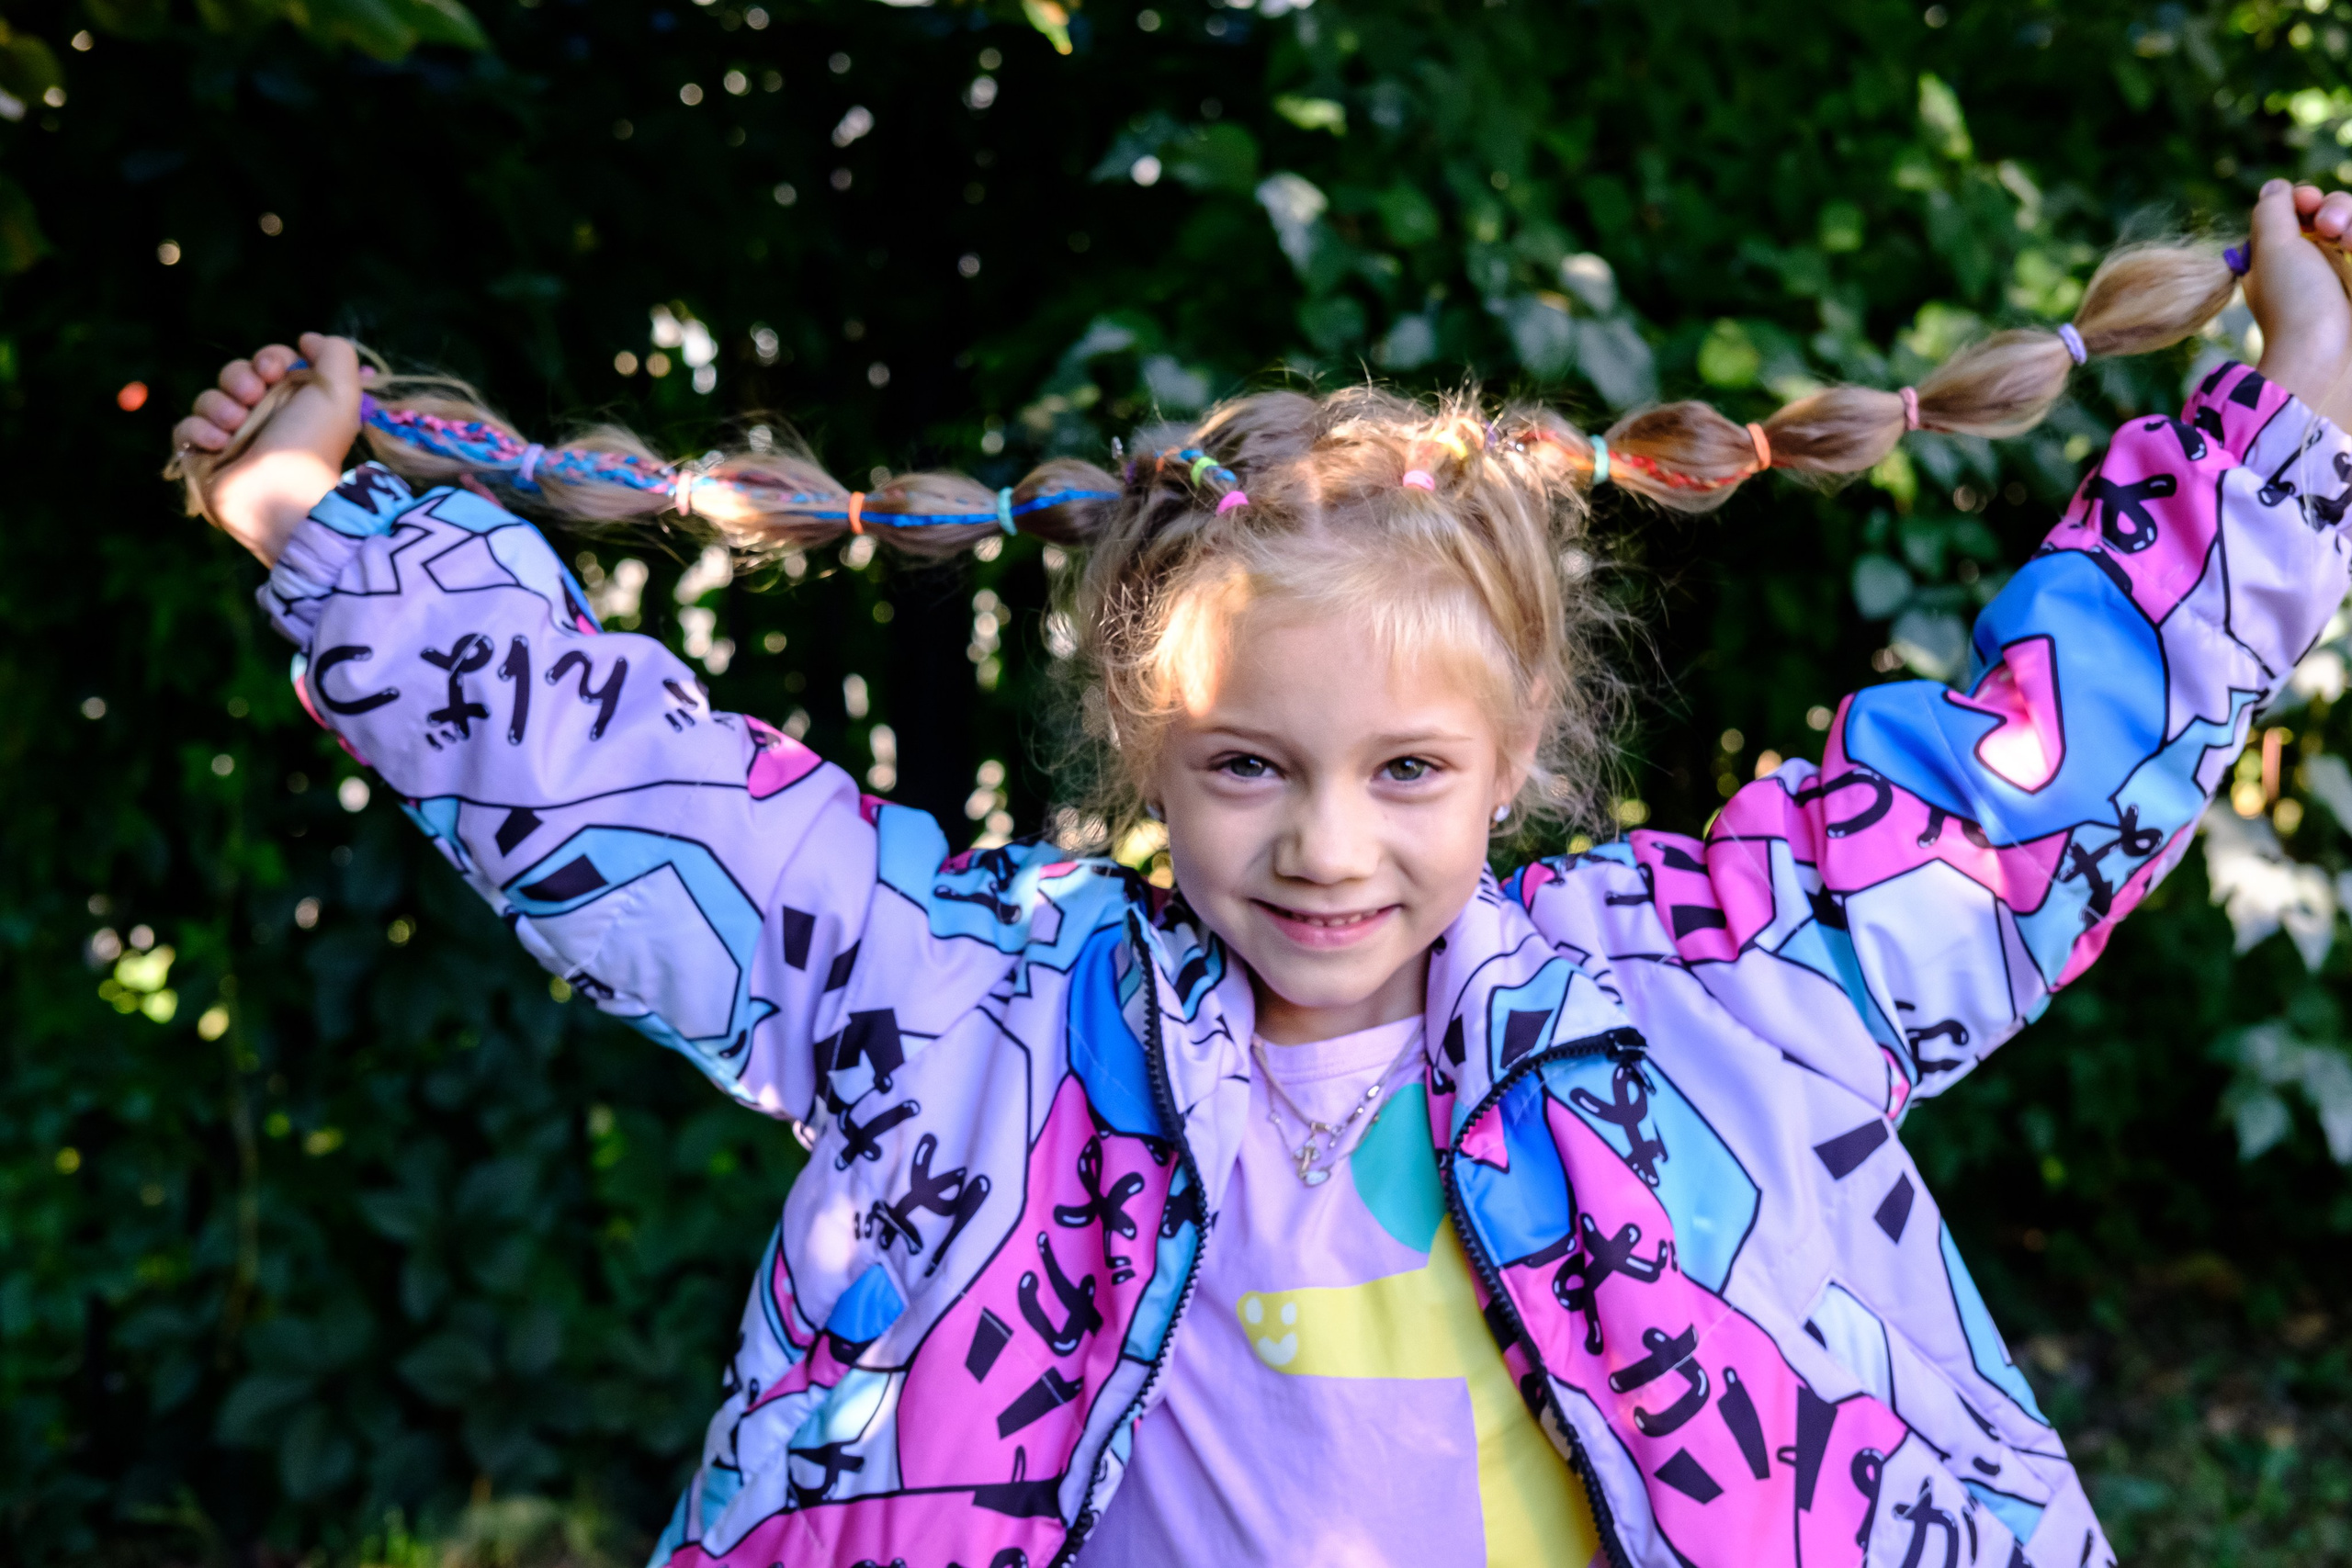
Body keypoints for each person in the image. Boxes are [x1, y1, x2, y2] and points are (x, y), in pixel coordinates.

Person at [167, 178, 2352, 1568]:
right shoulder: (983, 1018)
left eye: (1405, 769)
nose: (1323, 843)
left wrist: (2301, 421)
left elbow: (2022, 785)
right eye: (1244, 765)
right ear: (1145, 743)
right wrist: (321, 532)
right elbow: (661, 811)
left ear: (1516, 753)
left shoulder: (1716, 987)